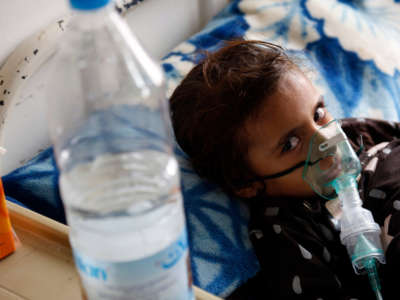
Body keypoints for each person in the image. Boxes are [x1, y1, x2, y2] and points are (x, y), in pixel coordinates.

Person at [169, 39, 400, 299]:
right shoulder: (287, 228)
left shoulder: (358, 131)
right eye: (291, 143)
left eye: (317, 114)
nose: (326, 141)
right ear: (246, 182)